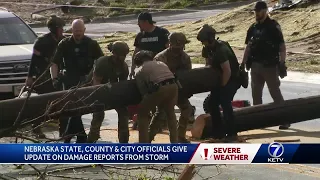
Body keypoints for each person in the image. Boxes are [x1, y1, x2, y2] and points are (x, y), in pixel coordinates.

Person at [50, 19, 104, 143]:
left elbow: (101, 62)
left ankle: (72, 136)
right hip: (69, 80)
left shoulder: (92, 44)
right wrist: (54, 78)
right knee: (72, 109)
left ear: (84, 30)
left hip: (86, 80)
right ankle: (79, 137)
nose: (78, 33)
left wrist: (96, 79)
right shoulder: (64, 44)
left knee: (77, 109)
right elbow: (54, 63)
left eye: (80, 31)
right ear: (72, 30)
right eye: (75, 31)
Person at [241, 1, 289, 130]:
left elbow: (282, 46)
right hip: (255, 66)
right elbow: (248, 47)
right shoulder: (253, 28)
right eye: (255, 11)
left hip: (270, 66)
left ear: (265, 11)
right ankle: (259, 120)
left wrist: (282, 62)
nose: (256, 13)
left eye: (258, 11)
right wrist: (243, 62)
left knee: (275, 94)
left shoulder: (273, 26)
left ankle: (285, 119)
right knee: (256, 95)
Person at [197, 24, 241, 141]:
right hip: (221, 77)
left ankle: (232, 134)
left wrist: (221, 86)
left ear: (211, 38)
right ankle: (218, 133)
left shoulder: (221, 49)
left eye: (204, 41)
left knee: (225, 102)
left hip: (233, 78)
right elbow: (208, 65)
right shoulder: (207, 48)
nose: (203, 44)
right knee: (212, 103)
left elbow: (227, 71)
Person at [149, 32, 194, 143]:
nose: (179, 49)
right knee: (161, 114)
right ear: (169, 44)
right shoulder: (160, 58)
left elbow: (188, 76)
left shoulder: (185, 58)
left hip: (179, 89)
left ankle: (180, 136)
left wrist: (187, 89)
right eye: (176, 46)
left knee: (186, 109)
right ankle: (148, 138)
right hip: (164, 90)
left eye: (181, 46)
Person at [26, 15, 66, 138]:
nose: (62, 30)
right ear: (54, 28)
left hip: (58, 75)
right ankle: (36, 127)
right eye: (60, 28)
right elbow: (34, 60)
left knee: (62, 102)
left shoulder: (63, 41)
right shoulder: (42, 42)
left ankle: (64, 130)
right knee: (45, 103)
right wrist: (30, 76)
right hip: (43, 76)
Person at [87, 41, 130, 143]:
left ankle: (124, 143)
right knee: (98, 115)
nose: (123, 58)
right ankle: (90, 142)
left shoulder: (123, 67)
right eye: (120, 55)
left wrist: (123, 100)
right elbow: (96, 82)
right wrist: (101, 99)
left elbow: (122, 86)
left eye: (124, 55)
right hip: (95, 89)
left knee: (124, 113)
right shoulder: (103, 62)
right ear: (114, 54)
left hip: (112, 90)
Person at [134, 50, 178, 143]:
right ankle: (175, 142)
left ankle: (143, 144)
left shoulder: (139, 69)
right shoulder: (161, 63)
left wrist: (147, 103)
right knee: (170, 114)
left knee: (142, 114)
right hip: (174, 86)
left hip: (160, 87)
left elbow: (142, 91)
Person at [129, 12, 170, 79]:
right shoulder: (140, 36)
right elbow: (136, 52)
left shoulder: (162, 32)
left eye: (140, 22)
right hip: (145, 69)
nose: (138, 25)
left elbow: (169, 49)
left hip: (160, 67)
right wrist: (132, 68)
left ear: (146, 22)